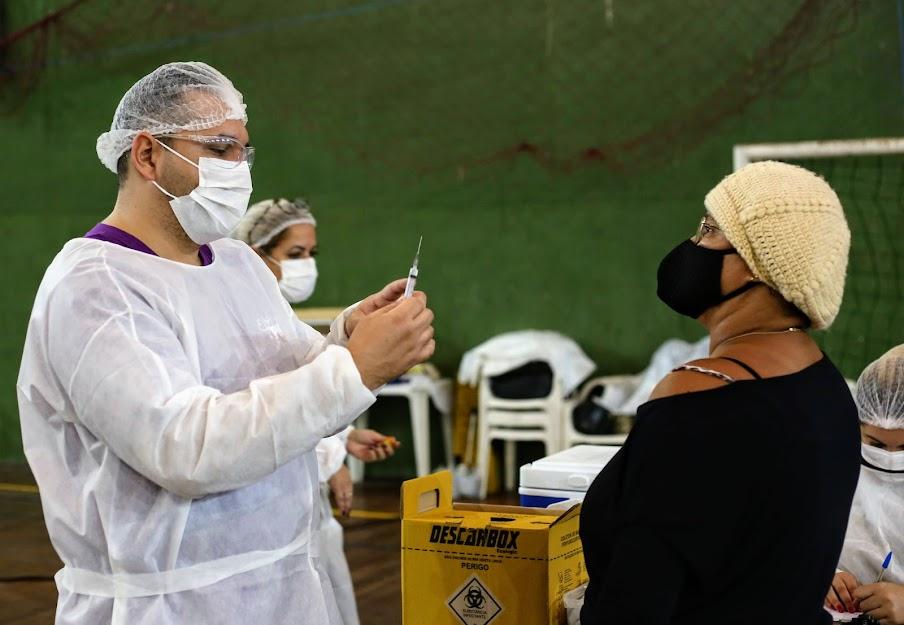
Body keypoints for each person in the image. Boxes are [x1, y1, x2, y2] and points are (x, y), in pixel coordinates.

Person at [16, 61, 435, 625]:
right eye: (220, 149)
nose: (239, 169)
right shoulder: (96, 287)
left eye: (244, 152)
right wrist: (353, 370)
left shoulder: (235, 263)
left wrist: (347, 338)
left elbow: (285, 383)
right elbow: (185, 447)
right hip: (167, 605)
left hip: (283, 586)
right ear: (147, 156)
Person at [579, 161, 860, 624]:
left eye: (709, 230)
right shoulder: (824, 386)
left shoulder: (695, 403)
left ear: (755, 265)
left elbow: (636, 602)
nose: (693, 243)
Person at [234, 197, 402, 625]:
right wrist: (331, 461)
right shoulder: (238, 325)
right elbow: (256, 419)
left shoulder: (279, 321)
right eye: (294, 254)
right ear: (255, 252)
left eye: (311, 254)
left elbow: (302, 391)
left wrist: (341, 439)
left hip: (301, 520)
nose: (306, 265)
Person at [826, 345, 904, 623]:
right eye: (876, 444)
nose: (890, 459)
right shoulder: (833, 459)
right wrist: (825, 574)